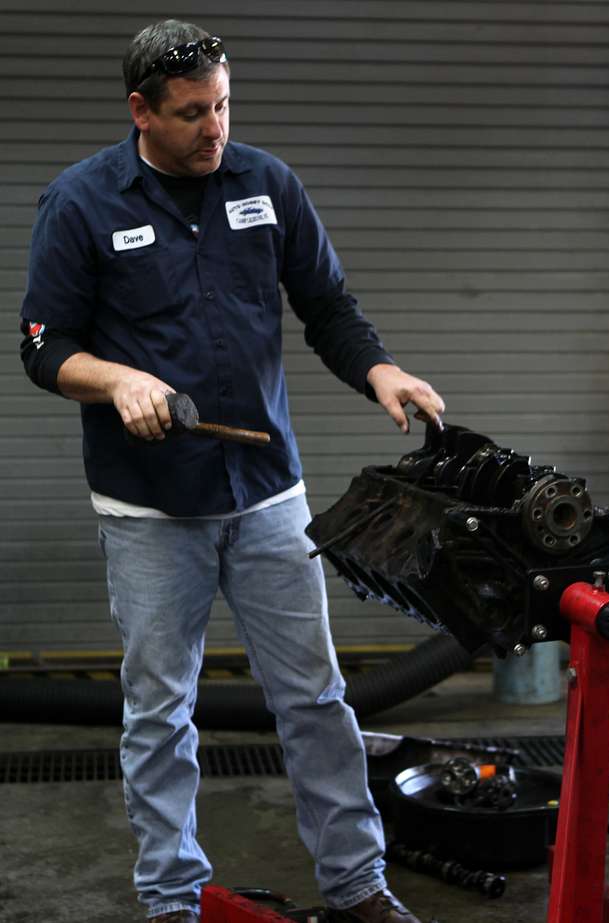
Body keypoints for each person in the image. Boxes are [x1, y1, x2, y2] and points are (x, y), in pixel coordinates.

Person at [18, 20, 443, 923]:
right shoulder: (82, 202)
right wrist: (116, 378)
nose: (214, 129)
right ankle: (171, 900)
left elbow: (328, 306)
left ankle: (358, 885)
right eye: (190, 114)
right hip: (148, 509)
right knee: (160, 714)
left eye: (222, 105)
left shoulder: (265, 183)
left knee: (318, 698)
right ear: (140, 111)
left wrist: (381, 370)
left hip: (267, 496)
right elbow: (43, 345)